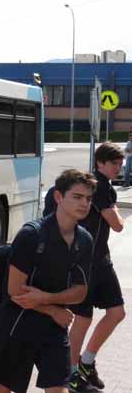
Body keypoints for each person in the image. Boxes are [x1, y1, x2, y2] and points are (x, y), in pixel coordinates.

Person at [0, 169, 95, 393]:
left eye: (88, 198)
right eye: (77, 197)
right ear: (58, 197)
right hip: (17, 324)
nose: (84, 203)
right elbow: (16, 291)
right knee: (1, 390)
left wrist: (46, 299)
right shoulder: (30, 235)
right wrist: (53, 309)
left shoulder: (84, 239)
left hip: (55, 328)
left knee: (58, 389)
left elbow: (80, 292)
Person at [68, 142, 127, 392]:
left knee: (117, 312)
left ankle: (86, 363)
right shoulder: (99, 187)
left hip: (101, 261)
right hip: (84, 264)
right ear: (100, 163)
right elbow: (118, 225)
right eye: (114, 163)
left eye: (120, 164)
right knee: (82, 318)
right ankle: (69, 375)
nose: (118, 168)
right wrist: (115, 211)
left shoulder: (103, 187)